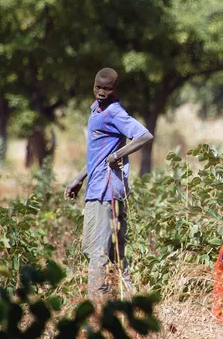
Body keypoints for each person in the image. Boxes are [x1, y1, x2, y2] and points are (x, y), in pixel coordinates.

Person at [65, 67, 154, 302]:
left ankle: (98, 307)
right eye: (98, 87)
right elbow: (98, 156)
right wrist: (79, 178)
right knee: (112, 253)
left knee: (97, 251)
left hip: (106, 191)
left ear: (116, 89)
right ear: (93, 86)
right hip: (96, 186)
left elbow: (144, 135)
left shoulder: (114, 113)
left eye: (107, 88)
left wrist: (119, 155)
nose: (102, 92)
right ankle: (129, 304)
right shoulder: (96, 110)